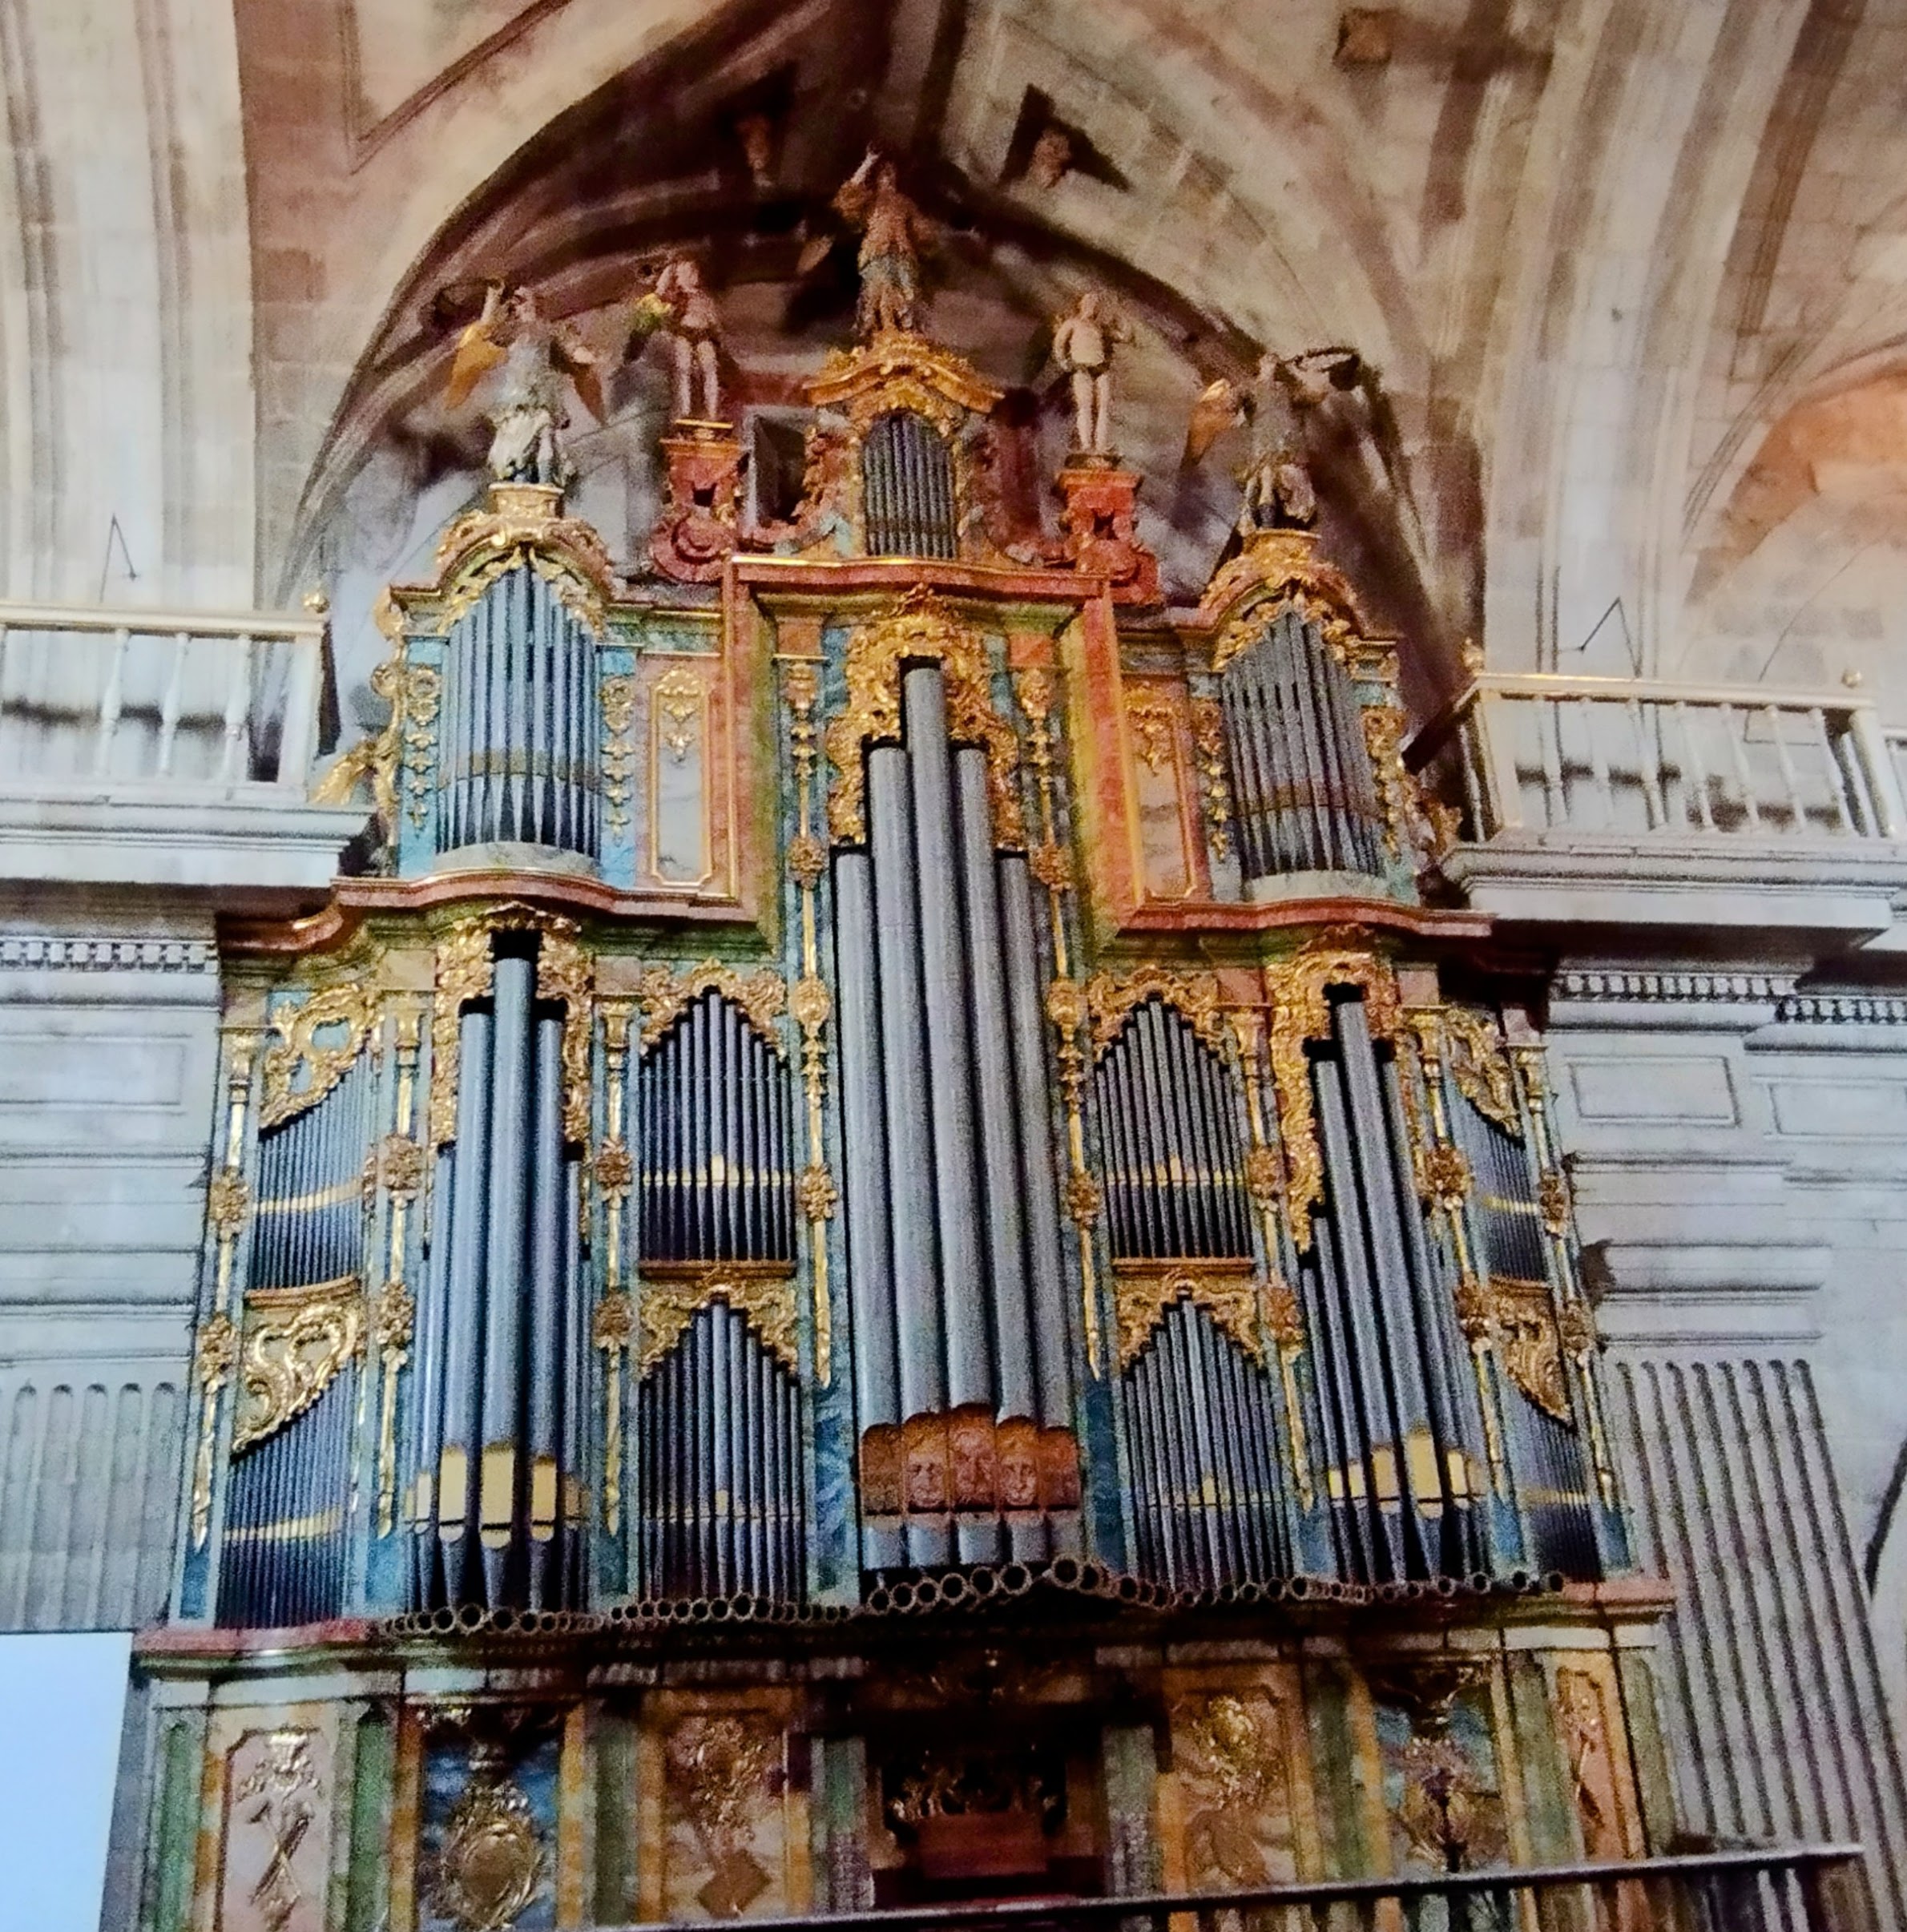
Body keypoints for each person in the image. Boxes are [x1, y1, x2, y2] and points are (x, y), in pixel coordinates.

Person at [444, 283, 603, 487]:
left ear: (538, 303)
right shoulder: (510, 332)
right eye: (518, 301)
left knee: (544, 430)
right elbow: (483, 335)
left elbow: (573, 349)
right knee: (515, 441)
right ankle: (519, 479)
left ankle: (546, 482)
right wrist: (493, 297)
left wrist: (591, 357)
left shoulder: (551, 331)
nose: (524, 305)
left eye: (527, 299)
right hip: (515, 394)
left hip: (541, 392)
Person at [832, 150, 934, 336]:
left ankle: (906, 333)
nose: (889, 177)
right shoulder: (870, 200)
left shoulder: (904, 202)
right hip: (877, 252)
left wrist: (926, 233)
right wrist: (867, 163)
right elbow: (847, 196)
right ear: (877, 178)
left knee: (908, 291)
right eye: (884, 173)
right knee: (880, 290)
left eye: (892, 173)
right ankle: (880, 332)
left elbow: (920, 228)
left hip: (902, 254)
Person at [1050, 289, 1130, 455]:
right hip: (1082, 369)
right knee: (1085, 407)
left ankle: (1101, 446)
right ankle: (1086, 445)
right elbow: (1059, 344)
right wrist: (1064, 363)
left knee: (1104, 408)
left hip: (1100, 369)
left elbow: (1125, 337)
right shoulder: (1072, 323)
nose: (1092, 305)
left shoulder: (1100, 327)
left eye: (1095, 302)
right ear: (1080, 304)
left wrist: (1120, 315)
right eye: (1088, 301)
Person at [648, 256, 724, 422]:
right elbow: (661, 297)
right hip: (684, 334)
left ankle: (711, 412)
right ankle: (684, 410)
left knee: (710, 369)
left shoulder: (704, 298)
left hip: (703, 335)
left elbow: (713, 321)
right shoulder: (677, 297)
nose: (692, 275)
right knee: (683, 370)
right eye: (688, 272)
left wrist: (718, 337)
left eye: (693, 272)